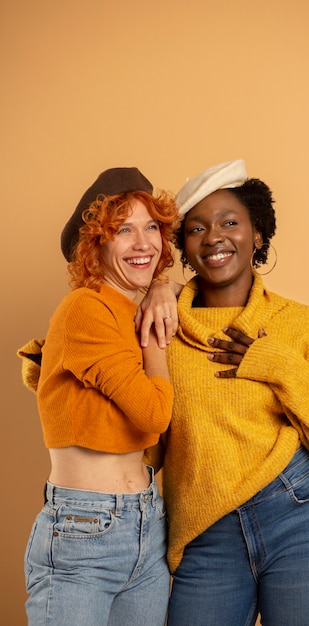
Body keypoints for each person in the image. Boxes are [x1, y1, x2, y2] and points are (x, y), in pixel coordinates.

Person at [143, 159, 309, 626]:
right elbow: (147, 447)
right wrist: (146, 295)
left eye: (230, 222)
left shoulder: (302, 326)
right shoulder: (160, 329)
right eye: (196, 228)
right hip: (205, 533)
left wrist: (280, 366)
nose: (214, 237)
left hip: (300, 521)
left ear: (259, 236)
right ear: (184, 248)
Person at [17, 167, 179, 625]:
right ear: (97, 245)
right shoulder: (86, 308)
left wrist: (162, 287)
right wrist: (154, 331)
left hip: (147, 525)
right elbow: (154, 414)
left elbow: (198, 291)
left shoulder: (133, 305)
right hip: (83, 529)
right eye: (123, 230)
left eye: (152, 227)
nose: (143, 243)